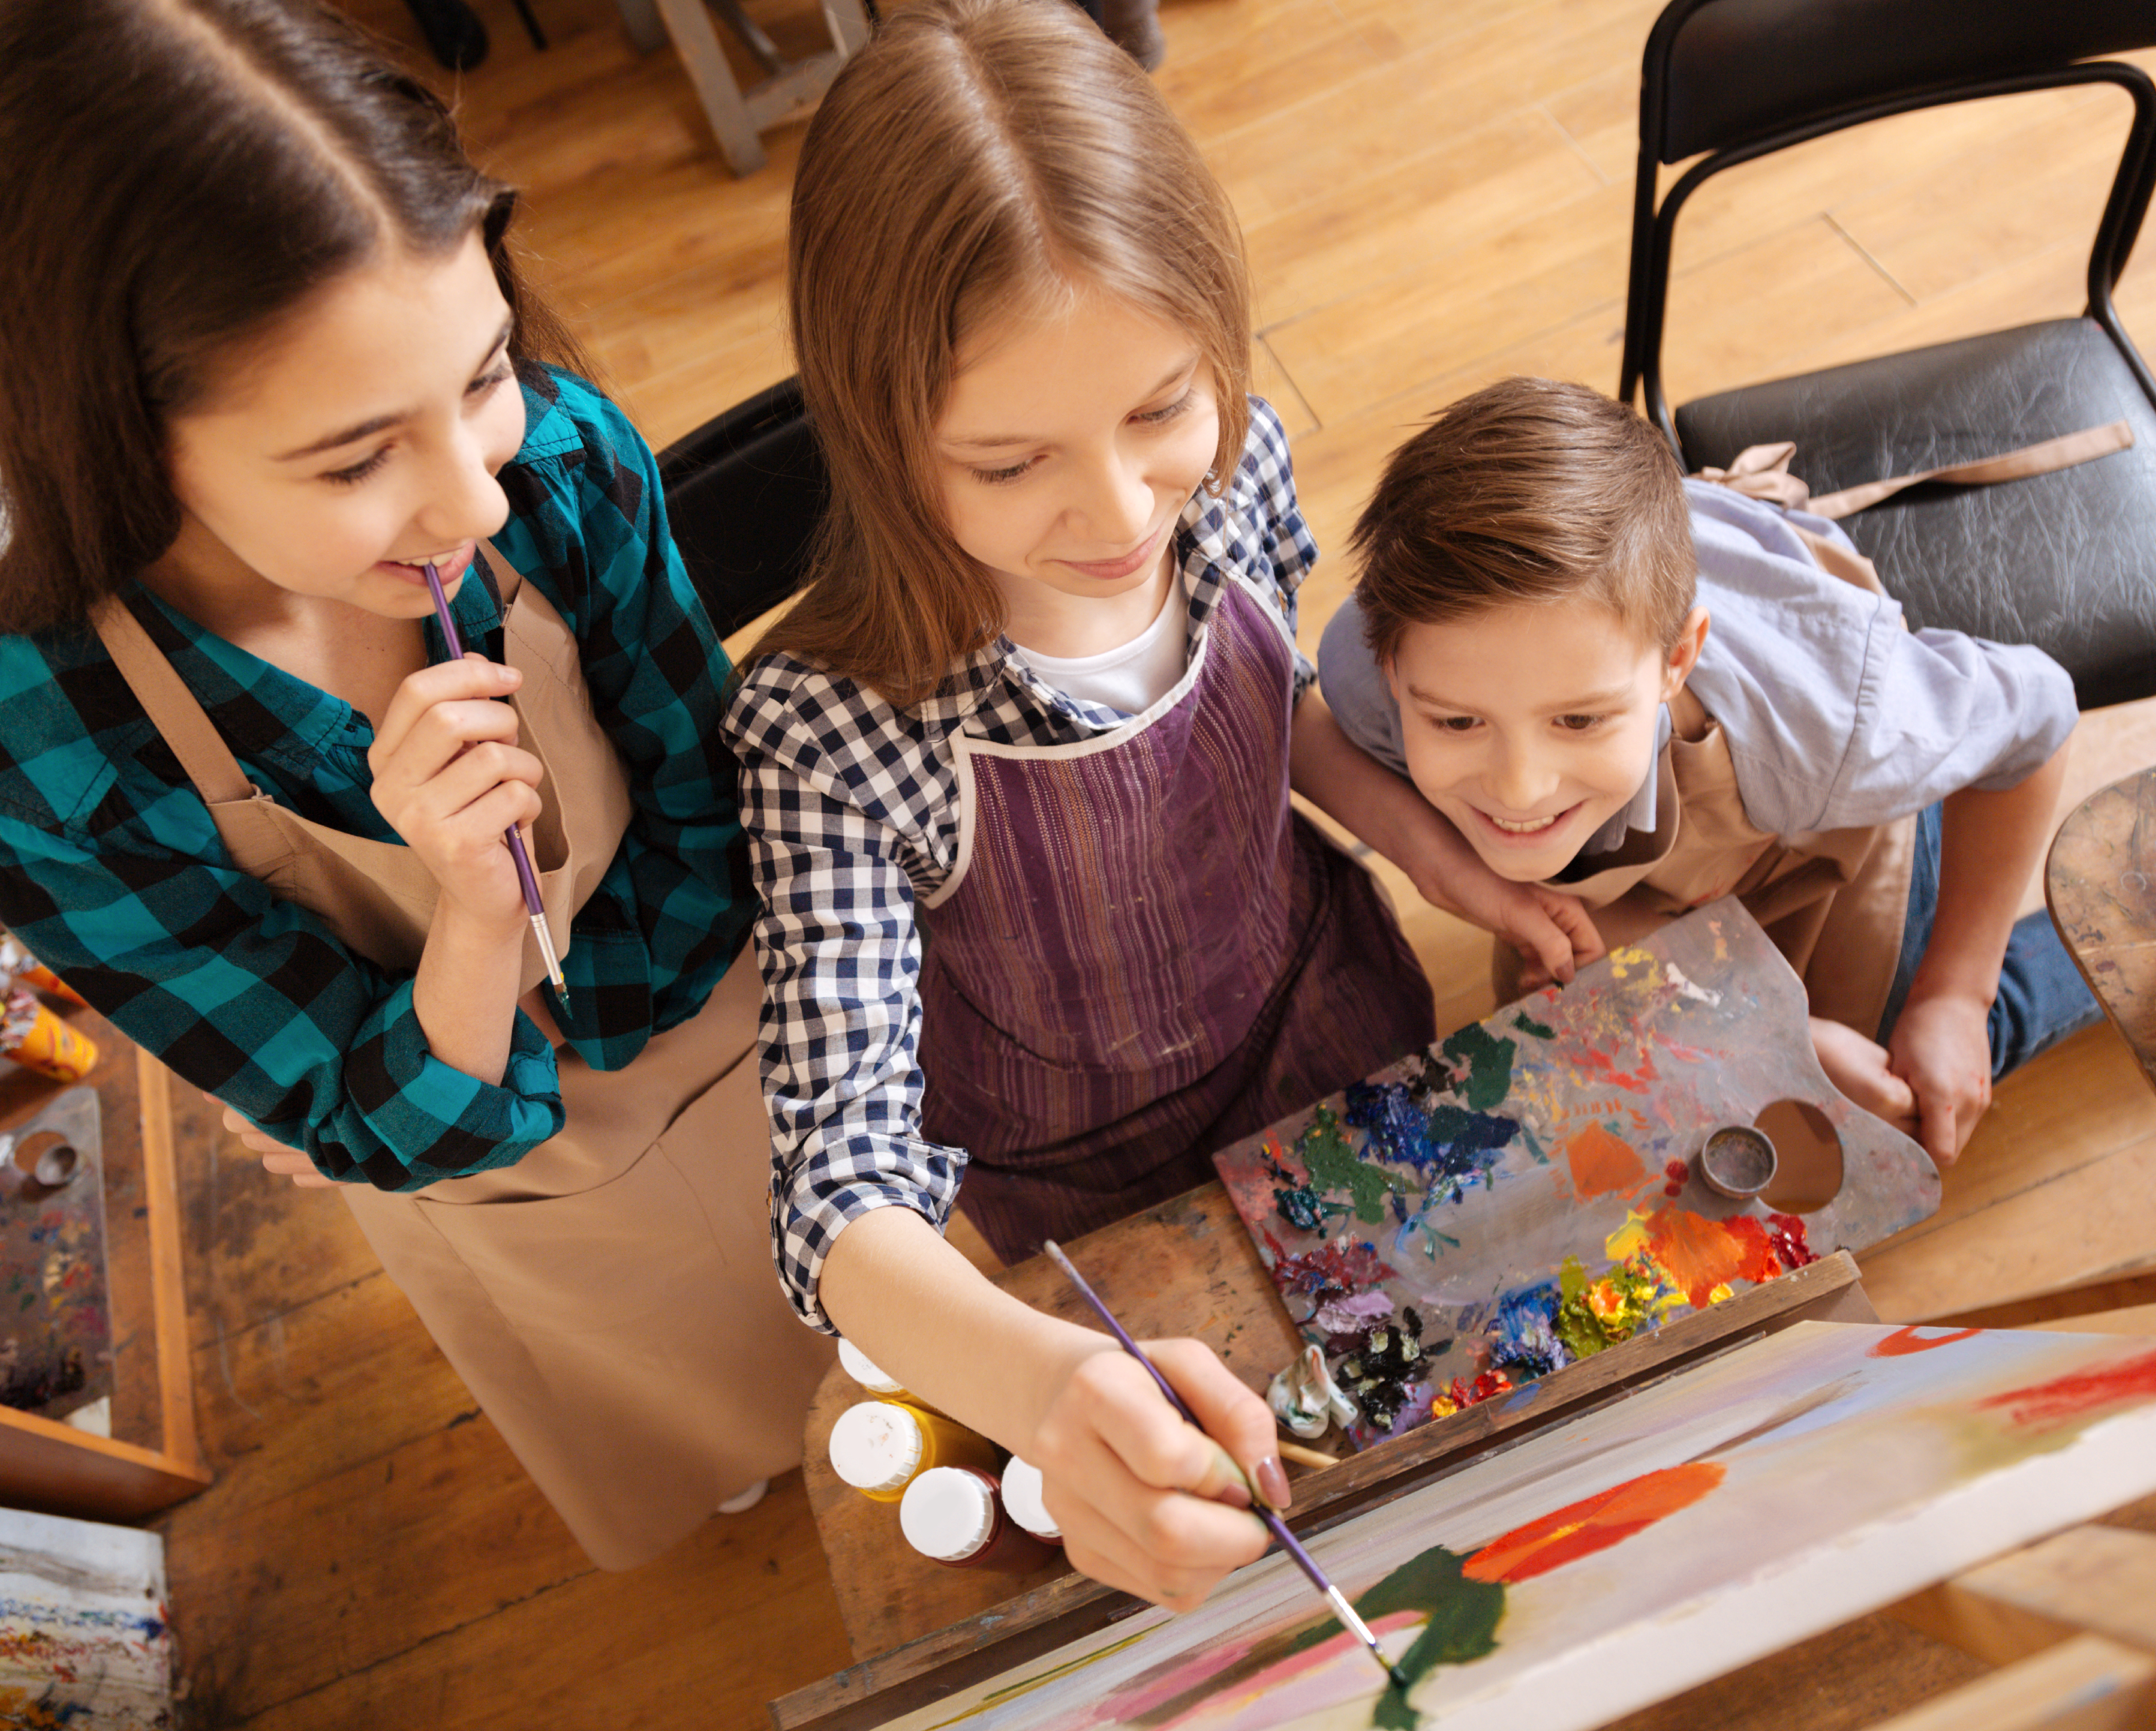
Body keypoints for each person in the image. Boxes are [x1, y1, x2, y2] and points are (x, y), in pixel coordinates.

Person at [0, 0, 831, 1570]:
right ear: (118, 432)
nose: (472, 492)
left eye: (483, 372)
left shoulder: (551, 466)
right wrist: (480, 924)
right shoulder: (52, 765)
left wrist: (619, 1005)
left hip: (739, 1009)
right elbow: (354, 1103)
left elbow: (698, 779)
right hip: (489, 1173)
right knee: (705, 1419)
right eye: (355, 460)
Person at [724, 0, 1590, 1611]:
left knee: (1476, 1409)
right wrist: (1049, 1394)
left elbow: (1282, 721)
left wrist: (1430, 851)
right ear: (875, 428)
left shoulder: (1242, 466)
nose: (1121, 511)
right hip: (1088, 1173)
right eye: (1008, 465)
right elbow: (838, 1190)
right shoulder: (823, 728)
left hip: (1324, 1015)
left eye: (1157, 410)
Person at [1317, 376, 2099, 1168]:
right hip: (1654, 894)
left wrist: (1958, 994)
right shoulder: (1374, 662)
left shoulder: (1830, 728)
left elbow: (2038, 714)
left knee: (1880, 1100)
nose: (1519, 789)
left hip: (1818, 840)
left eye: (1580, 720)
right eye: (1457, 723)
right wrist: (1454, 868)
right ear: (1391, 668)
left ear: (1677, 662)